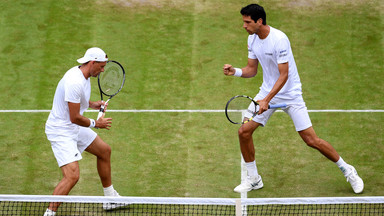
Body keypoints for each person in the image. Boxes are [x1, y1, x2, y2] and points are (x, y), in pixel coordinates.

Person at [223, 4, 364, 194]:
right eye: (243, 22)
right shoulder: (252, 40)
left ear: (259, 21)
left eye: (247, 22)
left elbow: (284, 75)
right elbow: (252, 70)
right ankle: (254, 179)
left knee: (311, 140)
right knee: (244, 132)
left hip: (291, 95)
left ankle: (348, 170)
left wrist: (267, 100)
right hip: (267, 92)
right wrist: (236, 72)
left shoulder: (279, 39)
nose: (244, 26)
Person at [44, 47, 125, 216]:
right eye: (101, 67)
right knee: (72, 176)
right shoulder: (74, 81)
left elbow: (78, 102)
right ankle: (49, 214)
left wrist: (93, 104)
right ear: (92, 62)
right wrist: (97, 123)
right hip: (61, 130)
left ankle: (110, 199)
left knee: (104, 151)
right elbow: (75, 117)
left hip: (72, 126)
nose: (103, 71)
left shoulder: (83, 75)